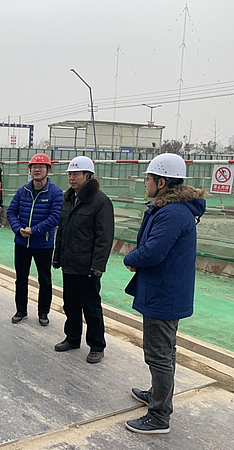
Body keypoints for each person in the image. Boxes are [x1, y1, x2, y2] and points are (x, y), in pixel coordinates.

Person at [123, 153, 205, 434]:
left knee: (159, 354)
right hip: (164, 290)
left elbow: (153, 251)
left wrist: (131, 258)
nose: (145, 183)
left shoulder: (171, 213)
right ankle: (157, 394)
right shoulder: (172, 209)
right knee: (165, 351)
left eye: (148, 178)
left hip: (163, 294)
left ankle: (159, 415)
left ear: (162, 182)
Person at [52, 156, 114, 364]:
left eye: (76, 174)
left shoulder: (100, 202)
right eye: (70, 174)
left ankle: (97, 346)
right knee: (70, 304)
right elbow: (62, 231)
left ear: (88, 175)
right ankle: (72, 338)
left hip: (87, 267)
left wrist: (97, 266)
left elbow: (104, 237)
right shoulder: (68, 199)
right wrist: (57, 257)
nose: (72, 178)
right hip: (69, 263)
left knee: (91, 307)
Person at [6, 154, 63, 325]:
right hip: (22, 243)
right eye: (34, 167)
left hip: (43, 244)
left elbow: (55, 217)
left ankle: (43, 312)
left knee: (44, 279)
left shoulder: (55, 193)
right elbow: (11, 212)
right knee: (21, 278)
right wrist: (18, 229)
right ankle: (21, 310)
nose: (37, 170)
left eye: (41, 166)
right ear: (30, 170)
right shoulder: (23, 191)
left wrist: (35, 230)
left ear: (48, 170)